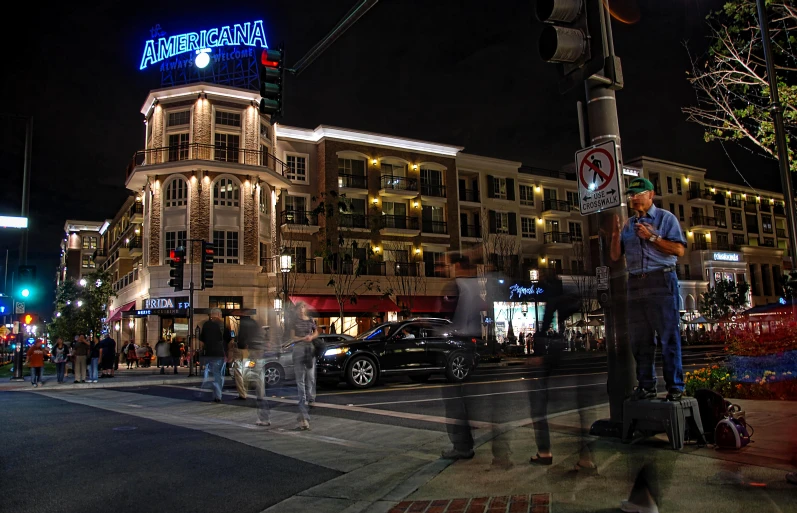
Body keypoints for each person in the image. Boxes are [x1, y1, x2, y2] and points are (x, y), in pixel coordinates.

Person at [609, 176, 686, 401]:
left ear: (650, 195)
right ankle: (646, 385)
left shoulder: (665, 219)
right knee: (640, 339)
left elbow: (679, 250)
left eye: (638, 194)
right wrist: (615, 235)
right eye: (631, 195)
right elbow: (615, 256)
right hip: (635, 282)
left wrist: (652, 237)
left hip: (661, 281)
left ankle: (675, 387)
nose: (634, 198)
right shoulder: (628, 225)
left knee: (668, 337)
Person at [290, 301, 319, 430]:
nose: (301, 310)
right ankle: (303, 410)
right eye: (299, 308)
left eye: (303, 307)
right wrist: (303, 338)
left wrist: (311, 337)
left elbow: (316, 332)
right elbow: (293, 338)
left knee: (311, 377)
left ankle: (311, 397)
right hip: (298, 350)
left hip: (309, 350)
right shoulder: (294, 322)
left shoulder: (310, 320)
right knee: (300, 381)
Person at [238, 315, 271, 426]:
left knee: (259, 388)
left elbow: (242, 341)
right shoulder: (258, 329)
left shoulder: (247, 328)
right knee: (259, 387)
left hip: (255, 356)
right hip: (258, 357)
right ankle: (264, 417)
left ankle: (264, 418)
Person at [198, 308, 230, 403]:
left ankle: (205, 390)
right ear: (219, 315)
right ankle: (218, 395)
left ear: (211, 315)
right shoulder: (223, 325)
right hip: (220, 353)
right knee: (218, 375)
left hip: (209, 353)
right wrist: (228, 353)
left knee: (208, 372)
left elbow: (202, 340)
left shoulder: (206, 325)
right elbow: (229, 340)